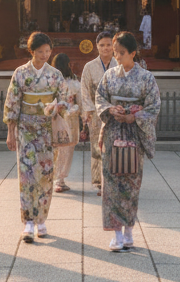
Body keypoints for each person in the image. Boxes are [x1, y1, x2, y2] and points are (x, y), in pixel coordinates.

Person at [4, 32, 73, 242]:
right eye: (40, 51)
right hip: (25, 128)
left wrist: (57, 106)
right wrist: (11, 132)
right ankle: (27, 223)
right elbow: (12, 102)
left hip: (46, 129)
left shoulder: (55, 74)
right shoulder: (20, 73)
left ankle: (41, 221)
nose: (45, 55)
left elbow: (65, 99)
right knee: (26, 176)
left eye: (47, 51)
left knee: (45, 175)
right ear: (31, 51)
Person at [96, 31, 160, 252]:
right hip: (113, 130)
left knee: (131, 183)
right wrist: (109, 108)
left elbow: (154, 106)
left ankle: (129, 230)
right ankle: (116, 234)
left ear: (133, 53)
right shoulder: (109, 76)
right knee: (111, 183)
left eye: (122, 53)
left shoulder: (146, 77)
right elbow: (100, 98)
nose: (117, 57)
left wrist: (135, 116)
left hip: (133, 132)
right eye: (115, 53)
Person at [80, 31, 116, 196]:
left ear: (114, 45)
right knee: (97, 146)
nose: (106, 48)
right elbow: (85, 90)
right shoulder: (89, 66)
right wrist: (87, 110)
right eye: (102, 45)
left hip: (115, 111)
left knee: (115, 145)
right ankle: (98, 181)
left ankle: (113, 179)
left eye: (109, 44)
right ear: (97, 46)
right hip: (96, 113)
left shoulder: (120, 64)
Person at [51, 52, 81, 193]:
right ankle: (60, 180)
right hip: (70, 118)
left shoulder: (51, 82)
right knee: (67, 150)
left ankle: (53, 178)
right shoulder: (74, 83)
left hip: (54, 118)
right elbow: (79, 102)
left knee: (55, 149)